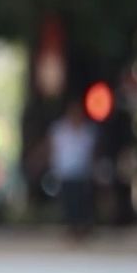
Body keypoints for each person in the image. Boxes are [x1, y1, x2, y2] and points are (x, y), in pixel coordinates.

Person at [48, 103, 99, 241]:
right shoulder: (59, 130)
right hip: (66, 175)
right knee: (69, 204)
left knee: (82, 204)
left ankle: (83, 230)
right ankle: (71, 229)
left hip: (82, 175)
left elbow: (92, 154)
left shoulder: (88, 131)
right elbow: (53, 150)